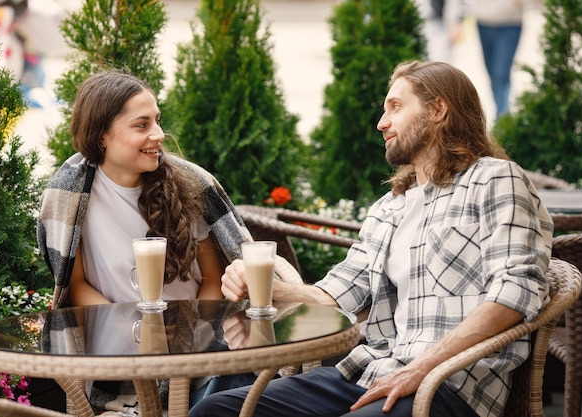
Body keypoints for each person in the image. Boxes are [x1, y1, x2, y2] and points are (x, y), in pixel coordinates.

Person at [189, 60, 554, 417]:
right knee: (215, 409)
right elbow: (335, 296)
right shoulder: (389, 208)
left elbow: (516, 291)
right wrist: (265, 287)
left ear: (438, 109)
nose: (382, 123)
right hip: (373, 371)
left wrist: (421, 368)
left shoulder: (493, 180)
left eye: (395, 107)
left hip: (449, 384)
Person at [36, 71, 256, 414]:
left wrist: (191, 339)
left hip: (201, 349)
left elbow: (214, 278)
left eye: (157, 120)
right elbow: (74, 285)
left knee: (227, 393)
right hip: (121, 357)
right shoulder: (69, 195)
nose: (158, 134)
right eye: (142, 125)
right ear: (102, 135)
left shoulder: (189, 184)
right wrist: (132, 331)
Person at [471, 0, 525, 117]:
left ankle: (502, 117)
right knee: (491, 72)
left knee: (501, 73)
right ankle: (503, 112)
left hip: (509, 22)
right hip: (483, 21)